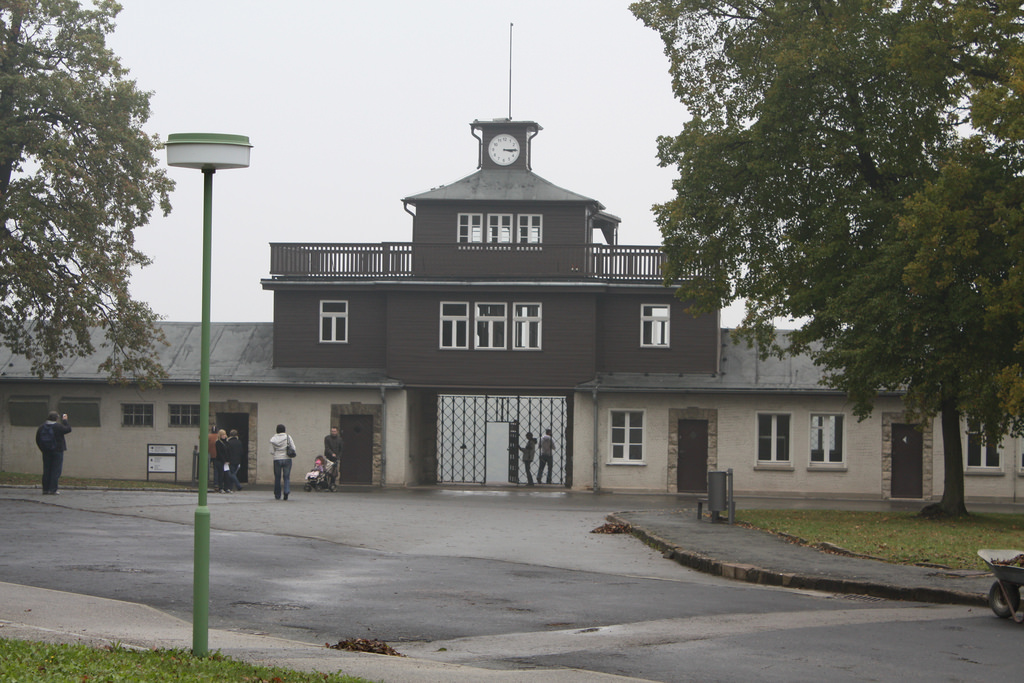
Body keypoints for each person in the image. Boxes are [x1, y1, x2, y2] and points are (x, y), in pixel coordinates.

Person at [36, 411, 71, 495]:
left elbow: (37, 439)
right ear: (56, 418)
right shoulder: (58, 427)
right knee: (55, 470)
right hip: (57, 451)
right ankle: (53, 489)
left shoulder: (41, 427)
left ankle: (45, 489)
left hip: (46, 451)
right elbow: (68, 429)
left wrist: (43, 449)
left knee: (47, 470)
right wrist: (65, 420)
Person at [270, 423, 296, 501]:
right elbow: (293, 448)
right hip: (287, 458)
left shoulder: (273, 439)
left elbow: (271, 451)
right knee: (286, 476)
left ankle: (277, 494)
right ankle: (286, 491)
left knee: (277, 477)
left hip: (277, 459)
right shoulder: (288, 437)